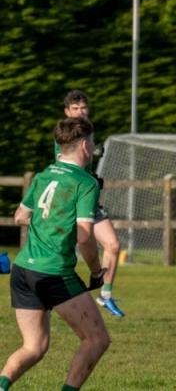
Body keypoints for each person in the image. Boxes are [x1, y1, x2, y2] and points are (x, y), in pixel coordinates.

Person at [1, 117, 110, 391]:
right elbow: (85, 237)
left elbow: (20, 216)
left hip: (24, 269)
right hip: (53, 273)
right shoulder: (85, 182)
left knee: (34, 346)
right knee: (97, 339)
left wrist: (50, 222)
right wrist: (97, 271)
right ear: (85, 145)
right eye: (93, 142)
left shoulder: (44, 175)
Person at [60, 91, 124, 317]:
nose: (80, 112)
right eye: (75, 109)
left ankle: (105, 296)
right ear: (67, 112)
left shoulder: (89, 131)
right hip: (69, 200)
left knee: (113, 245)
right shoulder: (65, 133)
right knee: (61, 250)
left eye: (83, 108)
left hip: (89, 200)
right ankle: (45, 298)